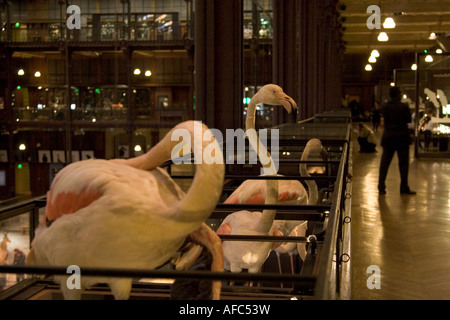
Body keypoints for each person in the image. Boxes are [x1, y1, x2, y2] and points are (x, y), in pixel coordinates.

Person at [378, 86, 416, 195]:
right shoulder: (403, 106)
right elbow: (408, 120)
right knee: (403, 164)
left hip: (389, 136)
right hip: (402, 137)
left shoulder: (385, 106)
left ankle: (381, 186)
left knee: (385, 163)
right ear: (398, 94)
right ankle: (404, 187)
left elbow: (384, 118)